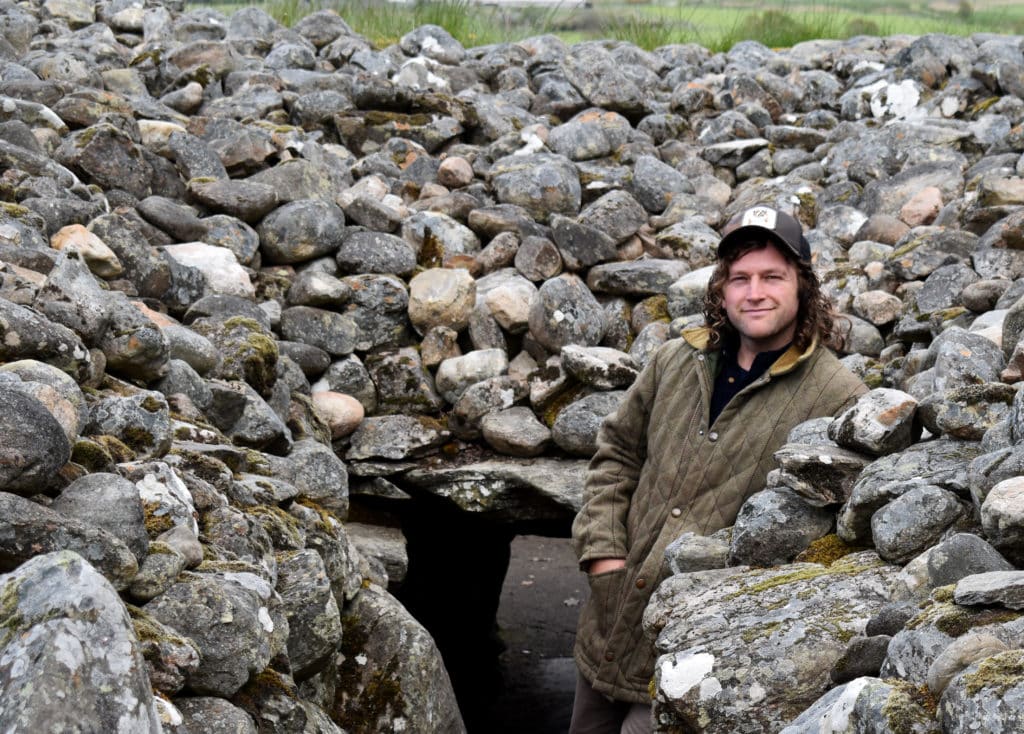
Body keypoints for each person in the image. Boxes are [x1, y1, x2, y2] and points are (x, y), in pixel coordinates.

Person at [568, 204, 868, 734]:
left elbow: (840, 542)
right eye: (740, 278)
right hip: (608, 627)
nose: (755, 292)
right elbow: (616, 453)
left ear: (802, 285)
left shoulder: (839, 396)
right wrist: (603, 556)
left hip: (693, 659)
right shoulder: (673, 361)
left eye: (772, 277)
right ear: (721, 289)